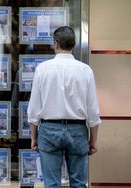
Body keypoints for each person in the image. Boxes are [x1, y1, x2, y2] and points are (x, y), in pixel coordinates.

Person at [27, 26, 101, 188]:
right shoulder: (85, 70)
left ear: (55, 44)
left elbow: (33, 109)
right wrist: (93, 139)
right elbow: (93, 110)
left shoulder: (42, 69)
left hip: (49, 130)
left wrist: (34, 137)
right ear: (74, 45)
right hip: (78, 131)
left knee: (52, 184)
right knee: (79, 183)